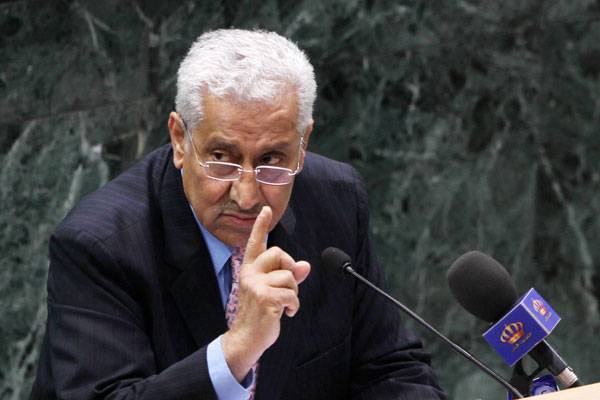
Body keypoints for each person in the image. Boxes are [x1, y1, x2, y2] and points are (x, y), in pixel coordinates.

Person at [31, 29, 446, 399]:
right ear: (179, 139)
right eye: (221, 157)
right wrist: (238, 348)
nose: (247, 196)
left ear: (303, 144)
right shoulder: (100, 245)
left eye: (271, 159)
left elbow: (390, 369)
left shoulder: (335, 201)